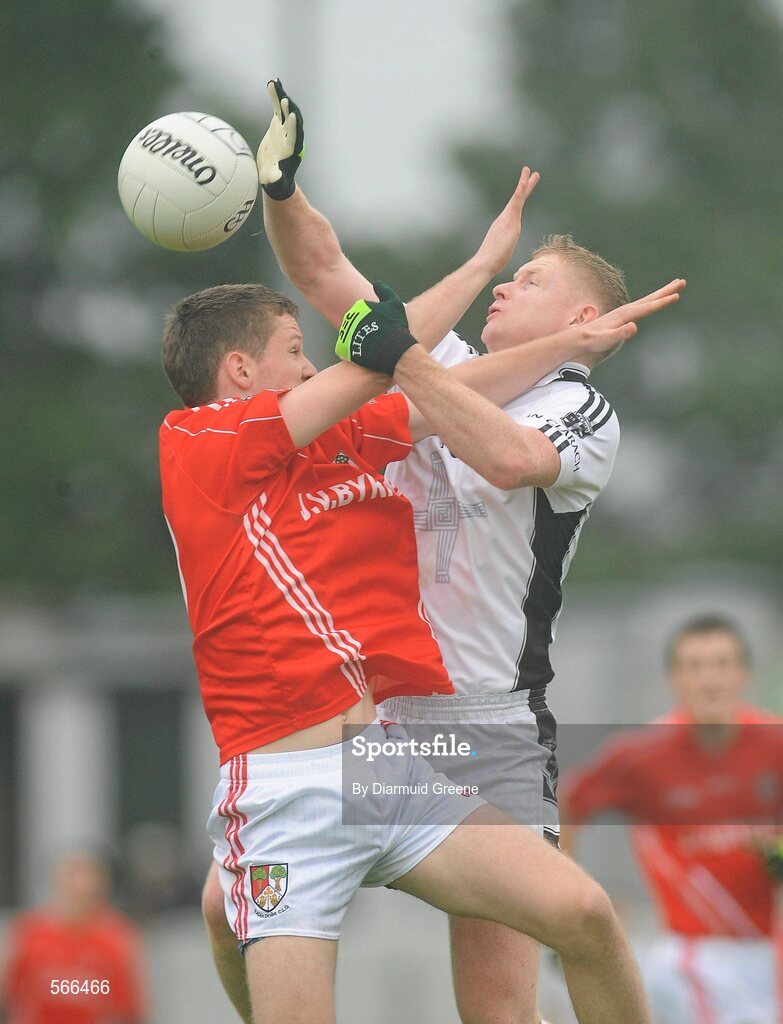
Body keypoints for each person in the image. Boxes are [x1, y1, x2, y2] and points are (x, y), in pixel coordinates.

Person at [189, 81, 683, 1024]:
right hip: (369, 723)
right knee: (222, 908)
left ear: (584, 323)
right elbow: (326, 271)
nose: (504, 285)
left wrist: (399, 354)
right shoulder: (454, 367)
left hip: (483, 725)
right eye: (509, 275)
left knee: (496, 1006)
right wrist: (283, 191)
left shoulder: (577, 408)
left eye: (530, 282)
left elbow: (504, 454)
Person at [559, 615, 783, 1024]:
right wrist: (575, 902)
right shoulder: (643, 756)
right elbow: (565, 804)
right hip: (695, 959)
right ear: (673, 679)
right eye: (694, 667)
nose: (710, 680)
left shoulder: (774, 743)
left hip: (772, 951)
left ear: (745, 674)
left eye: (722, 664)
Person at [0, 851, 148, 1024]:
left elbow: (129, 1010)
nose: (80, 889)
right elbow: (9, 997)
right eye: (72, 880)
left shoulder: (117, 938)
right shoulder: (29, 932)